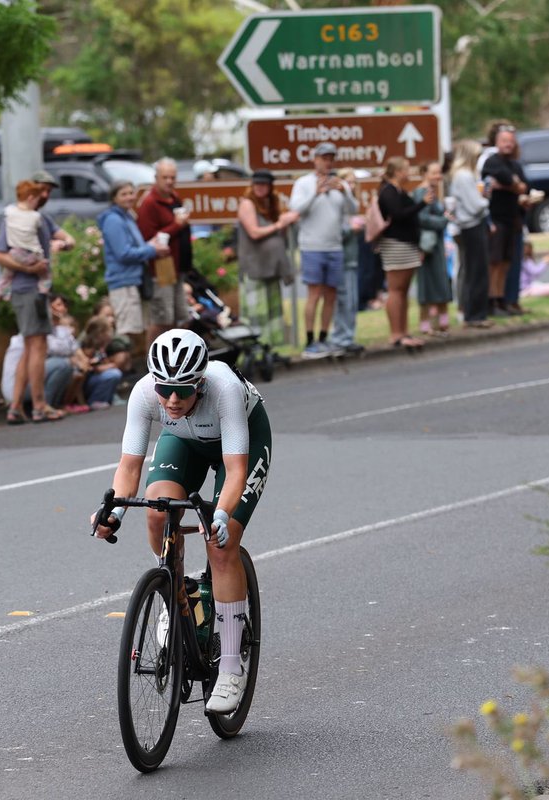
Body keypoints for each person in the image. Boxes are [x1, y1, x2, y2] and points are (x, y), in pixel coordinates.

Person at [92, 329, 272, 715]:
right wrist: (114, 512)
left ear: (201, 382)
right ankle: (179, 594)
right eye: (165, 389)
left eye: (184, 391)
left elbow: (235, 469)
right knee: (158, 511)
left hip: (242, 441)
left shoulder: (223, 388)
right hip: (185, 441)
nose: (172, 400)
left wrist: (221, 514)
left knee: (220, 544)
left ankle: (229, 666)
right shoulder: (144, 394)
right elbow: (130, 465)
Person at [0, 170, 75, 425]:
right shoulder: (16, 218)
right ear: (31, 191)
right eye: (41, 190)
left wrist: (64, 243)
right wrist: (29, 269)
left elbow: (67, 239)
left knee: (30, 348)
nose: (45, 195)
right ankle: (39, 405)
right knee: (37, 346)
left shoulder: (41, 219)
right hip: (26, 289)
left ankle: (15, 406)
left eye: (49, 191)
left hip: (36, 290)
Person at [289, 142, 353, 358]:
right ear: (315, 159)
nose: (327, 162)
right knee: (314, 294)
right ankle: (310, 341)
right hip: (312, 247)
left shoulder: (339, 183)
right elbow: (296, 209)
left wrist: (344, 191)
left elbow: (353, 209)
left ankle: (325, 339)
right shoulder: (303, 183)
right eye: (324, 158)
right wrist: (315, 193)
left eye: (330, 158)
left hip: (335, 246)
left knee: (331, 295)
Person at [98, 180, 169, 352]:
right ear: (114, 198)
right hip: (123, 281)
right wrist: (151, 250)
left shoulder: (128, 216)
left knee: (138, 328)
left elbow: (135, 247)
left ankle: (132, 369)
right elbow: (123, 253)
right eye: (124, 194)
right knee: (127, 331)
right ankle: (121, 372)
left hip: (135, 280)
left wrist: (149, 244)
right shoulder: (113, 220)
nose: (129, 197)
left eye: (131, 193)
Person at [237, 170, 299, 351]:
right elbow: (254, 232)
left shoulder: (272, 203)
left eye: (264, 184)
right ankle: (255, 351)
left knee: (273, 312)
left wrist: (286, 224)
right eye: (257, 184)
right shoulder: (247, 204)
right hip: (254, 268)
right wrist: (280, 224)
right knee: (258, 313)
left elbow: (280, 233)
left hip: (272, 268)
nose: (260, 188)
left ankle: (270, 350)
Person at [137, 158, 192, 345]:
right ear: (156, 178)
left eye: (173, 177)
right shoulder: (150, 203)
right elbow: (148, 238)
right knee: (162, 319)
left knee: (181, 316)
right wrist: (176, 226)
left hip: (178, 268)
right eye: (165, 177)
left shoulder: (174, 198)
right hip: (161, 270)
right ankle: (151, 365)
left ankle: (174, 362)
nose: (169, 181)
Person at [376, 157, 427, 349]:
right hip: (395, 244)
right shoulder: (388, 192)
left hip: (407, 245)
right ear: (397, 172)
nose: (409, 173)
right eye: (406, 169)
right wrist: (422, 204)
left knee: (404, 290)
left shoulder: (399, 191)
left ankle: (404, 331)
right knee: (396, 290)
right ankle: (396, 333)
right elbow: (399, 215)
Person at [481, 125, 530, 316]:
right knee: (494, 261)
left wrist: (508, 185)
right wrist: (512, 184)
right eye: (504, 141)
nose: (508, 144)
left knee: (506, 262)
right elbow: (508, 180)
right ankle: (491, 300)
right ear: (496, 142)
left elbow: (523, 186)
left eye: (511, 141)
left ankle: (502, 299)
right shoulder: (491, 162)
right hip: (496, 220)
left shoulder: (516, 164)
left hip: (513, 219)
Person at [448, 139, 493, 329]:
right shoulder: (464, 176)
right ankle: (475, 314)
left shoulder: (463, 175)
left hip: (468, 224)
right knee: (477, 270)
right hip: (471, 225)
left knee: (471, 269)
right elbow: (475, 205)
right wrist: (485, 200)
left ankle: (472, 312)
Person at [0, 180, 51, 306]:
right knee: (45, 276)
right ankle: (43, 293)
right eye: (36, 199)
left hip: (15, 253)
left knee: (5, 277)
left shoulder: (9, 212)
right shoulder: (35, 216)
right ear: (31, 198)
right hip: (33, 254)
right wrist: (31, 268)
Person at [328, 168, 365, 355]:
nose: (351, 186)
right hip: (339, 258)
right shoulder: (334, 207)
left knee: (352, 300)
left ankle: (348, 337)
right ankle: (340, 338)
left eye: (353, 183)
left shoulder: (350, 207)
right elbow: (333, 233)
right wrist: (352, 230)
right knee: (343, 299)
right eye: (347, 182)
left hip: (352, 258)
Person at [414, 160, 453, 338]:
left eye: (439, 173)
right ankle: (427, 323)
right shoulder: (421, 193)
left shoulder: (432, 192)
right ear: (424, 173)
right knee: (428, 283)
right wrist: (444, 220)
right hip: (426, 246)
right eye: (434, 173)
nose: (438, 177)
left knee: (439, 280)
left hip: (436, 244)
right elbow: (421, 218)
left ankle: (440, 321)